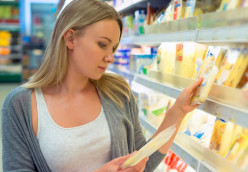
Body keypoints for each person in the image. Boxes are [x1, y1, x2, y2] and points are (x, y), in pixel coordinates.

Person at [1, 0, 203, 171]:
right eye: (102, 44)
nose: (110, 57)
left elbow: (144, 162)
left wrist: (177, 111)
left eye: (114, 47)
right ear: (71, 38)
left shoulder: (117, 92)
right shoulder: (20, 105)